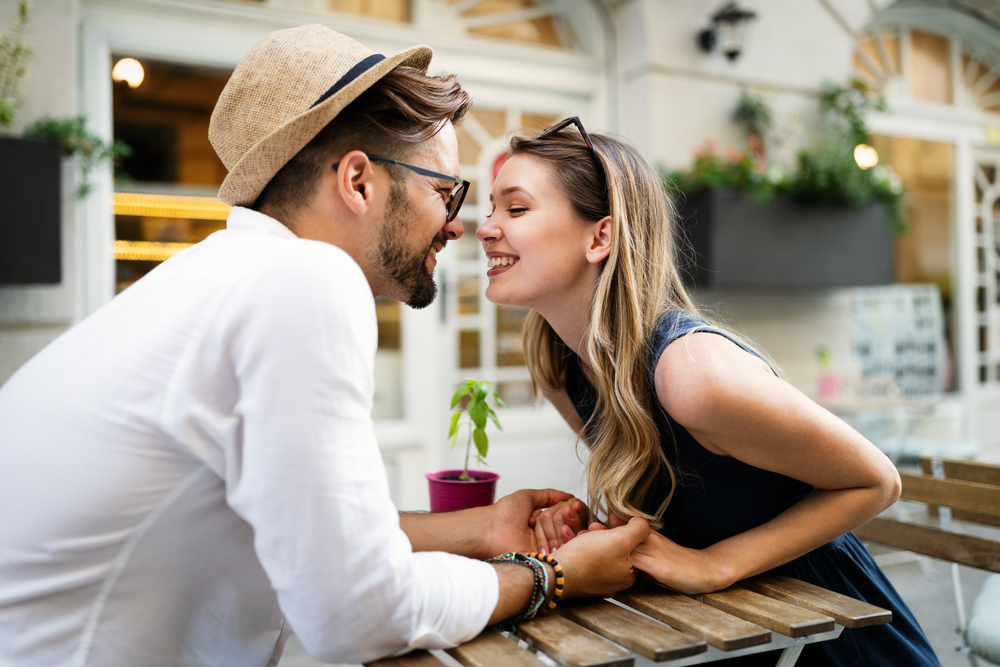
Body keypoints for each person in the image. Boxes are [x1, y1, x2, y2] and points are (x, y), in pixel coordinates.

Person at [0, 29, 649, 667]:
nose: (458, 224)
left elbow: (311, 533)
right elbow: (358, 611)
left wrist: (482, 528)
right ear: (359, 182)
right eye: (444, 190)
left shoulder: (216, 276)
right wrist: (551, 575)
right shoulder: (303, 278)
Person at [476, 117, 941, 666]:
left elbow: (878, 482)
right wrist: (591, 524)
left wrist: (715, 565)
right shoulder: (560, 365)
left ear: (599, 236)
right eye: (491, 207)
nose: (484, 228)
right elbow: (664, 501)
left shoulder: (692, 373)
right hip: (716, 630)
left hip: (826, 632)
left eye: (516, 208)